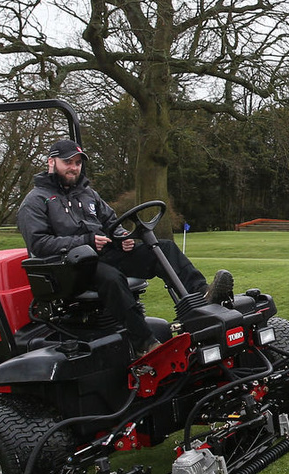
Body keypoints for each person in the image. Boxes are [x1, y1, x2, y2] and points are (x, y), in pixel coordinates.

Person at [18, 139, 234, 356]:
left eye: (77, 163)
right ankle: (145, 343)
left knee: (163, 249)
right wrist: (86, 241)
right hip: (71, 269)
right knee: (111, 278)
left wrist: (122, 236)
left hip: (103, 254)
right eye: (68, 162)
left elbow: (111, 222)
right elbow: (39, 244)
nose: (74, 168)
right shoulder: (36, 201)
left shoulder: (88, 194)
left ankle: (202, 297)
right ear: (51, 162)